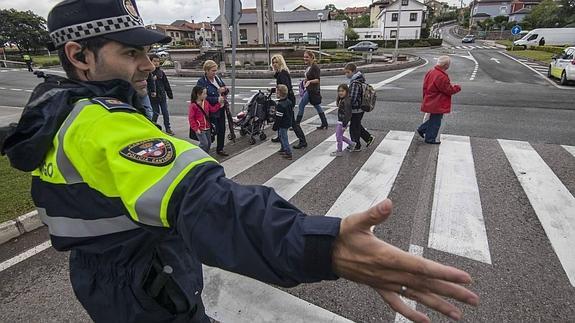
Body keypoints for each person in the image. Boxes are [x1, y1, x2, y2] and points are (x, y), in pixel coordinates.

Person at [0, 1, 479, 322]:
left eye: (149, 51)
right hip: (146, 287)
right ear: (79, 56)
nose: (149, 64)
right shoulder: (104, 123)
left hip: (103, 276)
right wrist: (323, 247)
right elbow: (207, 203)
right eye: (131, 52)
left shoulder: (56, 106)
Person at [417, 56, 461, 145]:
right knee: (436, 121)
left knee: (434, 119)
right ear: (446, 65)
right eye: (449, 64)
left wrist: (425, 97)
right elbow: (448, 90)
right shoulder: (441, 76)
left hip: (430, 98)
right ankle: (429, 138)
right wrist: (457, 88)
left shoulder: (431, 72)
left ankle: (422, 129)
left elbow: (425, 86)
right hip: (438, 101)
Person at [271, 54, 307, 149]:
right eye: (273, 62)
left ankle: (302, 141)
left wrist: (283, 100)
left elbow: (285, 87)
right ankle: (280, 136)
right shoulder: (281, 73)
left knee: (292, 122)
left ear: (280, 62)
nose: (274, 64)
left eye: (276, 62)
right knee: (282, 119)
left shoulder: (282, 73)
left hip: (287, 99)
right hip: (286, 98)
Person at [197, 60, 229, 156]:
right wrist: (216, 99)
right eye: (212, 71)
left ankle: (220, 149)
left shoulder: (217, 79)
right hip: (210, 110)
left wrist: (225, 90)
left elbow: (225, 89)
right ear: (206, 70)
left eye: (216, 70)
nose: (215, 73)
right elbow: (201, 97)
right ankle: (205, 149)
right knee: (212, 131)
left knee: (222, 129)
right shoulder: (202, 82)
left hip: (221, 108)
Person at [344, 63, 375, 152]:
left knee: (353, 128)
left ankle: (356, 145)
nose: (346, 74)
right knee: (356, 125)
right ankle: (368, 138)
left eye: (348, 72)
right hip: (360, 108)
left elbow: (352, 98)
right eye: (345, 72)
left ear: (353, 71)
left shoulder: (354, 83)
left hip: (356, 109)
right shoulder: (360, 80)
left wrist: (346, 106)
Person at [297, 50, 328, 130]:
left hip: (312, 90)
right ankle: (324, 123)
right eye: (304, 57)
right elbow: (309, 77)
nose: (305, 58)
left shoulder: (315, 67)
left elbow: (318, 80)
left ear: (311, 57)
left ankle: (296, 124)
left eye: (307, 57)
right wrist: (304, 81)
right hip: (309, 90)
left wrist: (309, 82)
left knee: (301, 105)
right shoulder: (309, 67)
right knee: (317, 106)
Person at [188, 85, 221, 153]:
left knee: (208, 143)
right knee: (204, 144)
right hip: (200, 128)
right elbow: (191, 118)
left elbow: (212, 110)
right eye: (204, 93)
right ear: (198, 94)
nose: (206, 95)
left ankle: (205, 155)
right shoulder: (193, 105)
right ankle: (198, 154)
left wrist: (219, 104)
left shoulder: (206, 102)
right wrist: (196, 129)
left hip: (207, 127)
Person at [147, 54, 174, 135]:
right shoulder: (148, 73)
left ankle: (168, 128)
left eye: (158, 61)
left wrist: (169, 93)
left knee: (165, 112)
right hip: (153, 97)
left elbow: (166, 83)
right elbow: (146, 85)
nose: (156, 63)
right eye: (154, 61)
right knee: (155, 112)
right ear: (150, 61)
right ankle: (153, 126)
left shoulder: (161, 72)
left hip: (162, 96)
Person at [330, 84, 356, 157]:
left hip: (342, 122)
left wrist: (344, 124)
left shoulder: (346, 101)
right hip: (341, 121)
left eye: (342, 91)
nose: (340, 92)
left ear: (346, 91)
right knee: (339, 136)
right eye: (339, 91)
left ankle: (339, 151)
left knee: (338, 136)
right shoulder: (343, 99)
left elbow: (348, 114)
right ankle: (352, 144)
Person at [273, 84, 293, 160]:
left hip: (282, 124)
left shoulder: (280, 105)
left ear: (279, 94)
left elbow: (278, 118)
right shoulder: (288, 102)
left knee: (284, 138)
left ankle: (288, 152)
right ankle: (283, 148)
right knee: (282, 136)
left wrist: (275, 126)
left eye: (276, 92)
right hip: (287, 122)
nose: (275, 94)